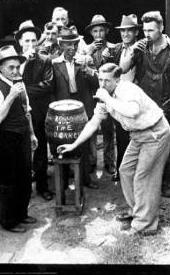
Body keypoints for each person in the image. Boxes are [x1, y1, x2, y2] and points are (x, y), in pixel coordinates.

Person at [58, 63, 170, 236]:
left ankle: (145, 225)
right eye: (100, 80)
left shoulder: (126, 89)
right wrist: (74, 144)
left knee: (144, 178)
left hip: (155, 132)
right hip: (138, 134)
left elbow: (132, 111)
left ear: (117, 80)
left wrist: (107, 99)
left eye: (107, 81)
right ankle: (138, 211)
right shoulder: (105, 97)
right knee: (125, 170)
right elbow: (93, 123)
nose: (102, 85)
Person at [120, 11, 170, 198]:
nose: (147, 34)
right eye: (145, 30)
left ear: (161, 28)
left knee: (166, 146)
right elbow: (122, 69)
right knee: (143, 144)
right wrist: (133, 51)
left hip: (165, 106)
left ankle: (167, 183)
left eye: (151, 30)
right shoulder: (140, 48)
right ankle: (148, 182)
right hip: (144, 108)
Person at [0, 45, 38, 233]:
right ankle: (8, 221)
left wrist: (31, 134)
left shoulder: (20, 85)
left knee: (24, 176)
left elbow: (26, 110)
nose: (15, 71)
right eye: (10, 68)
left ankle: (22, 214)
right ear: (0, 68)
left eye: (17, 67)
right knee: (9, 181)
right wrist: (12, 94)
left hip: (22, 135)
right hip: (6, 138)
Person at [51, 26, 99, 189]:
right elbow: (52, 89)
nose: (71, 48)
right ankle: (63, 181)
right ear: (61, 45)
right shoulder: (55, 64)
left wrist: (88, 70)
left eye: (74, 44)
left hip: (82, 106)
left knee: (83, 143)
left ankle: (86, 178)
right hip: (63, 107)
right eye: (67, 44)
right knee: (63, 141)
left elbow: (96, 84)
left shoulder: (84, 61)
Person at [15, 20, 55, 201]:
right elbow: (12, 81)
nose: (31, 45)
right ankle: (23, 188)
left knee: (39, 149)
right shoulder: (14, 61)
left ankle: (42, 186)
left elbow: (47, 85)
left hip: (39, 112)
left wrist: (23, 90)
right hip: (18, 113)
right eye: (27, 41)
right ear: (20, 43)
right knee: (21, 150)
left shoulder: (45, 60)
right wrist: (23, 65)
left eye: (33, 41)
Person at [104, 14, 140, 181]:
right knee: (121, 135)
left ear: (136, 32)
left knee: (136, 136)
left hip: (134, 96)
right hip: (119, 97)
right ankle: (120, 170)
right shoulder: (117, 48)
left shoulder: (140, 49)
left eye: (129, 31)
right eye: (123, 31)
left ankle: (135, 173)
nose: (125, 34)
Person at [84, 15, 117, 176]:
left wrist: (107, 57)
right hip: (91, 95)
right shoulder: (86, 49)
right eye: (95, 31)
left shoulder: (113, 48)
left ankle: (110, 162)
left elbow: (114, 73)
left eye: (101, 31)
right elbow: (86, 73)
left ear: (107, 31)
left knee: (108, 130)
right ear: (91, 33)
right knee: (91, 129)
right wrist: (89, 54)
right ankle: (91, 162)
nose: (98, 35)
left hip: (108, 95)